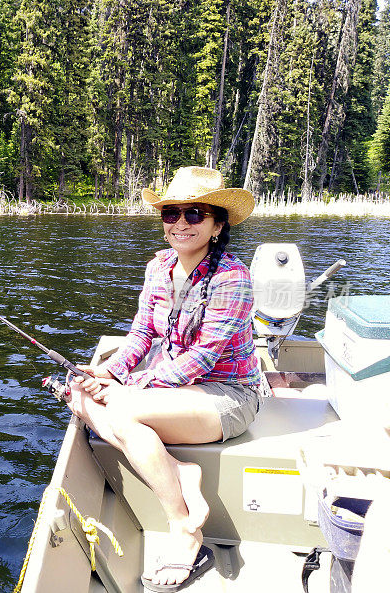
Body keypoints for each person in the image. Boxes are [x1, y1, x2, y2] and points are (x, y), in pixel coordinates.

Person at [67, 166, 263, 592]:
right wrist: (109, 371)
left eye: (194, 214)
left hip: (227, 394)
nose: (179, 223)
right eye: (170, 213)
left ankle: (185, 527)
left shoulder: (233, 278)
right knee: (75, 393)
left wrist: (129, 387)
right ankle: (180, 470)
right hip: (171, 385)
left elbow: (202, 357)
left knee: (118, 408)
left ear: (217, 224)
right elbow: (142, 333)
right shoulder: (158, 267)